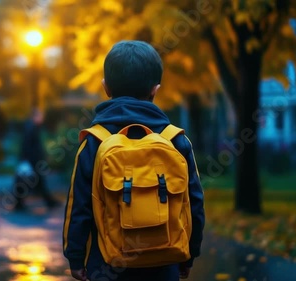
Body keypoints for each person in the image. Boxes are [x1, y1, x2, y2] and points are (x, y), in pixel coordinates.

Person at [62, 40, 205, 281]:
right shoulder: (176, 141)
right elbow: (194, 204)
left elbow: (79, 208)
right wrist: (189, 254)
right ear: (155, 90)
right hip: (165, 260)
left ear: (106, 88)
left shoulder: (94, 142)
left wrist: (75, 258)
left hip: (107, 264)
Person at [14, 108, 60, 211]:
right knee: (35, 183)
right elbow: (31, 146)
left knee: (35, 183)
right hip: (33, 161)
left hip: (31, 161)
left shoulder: (30, 127)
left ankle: (19, 204)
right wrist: (36, 159)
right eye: (40, 116)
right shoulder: (32, 128)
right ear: (35, 117)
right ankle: (49, 202)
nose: (42, 119)